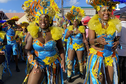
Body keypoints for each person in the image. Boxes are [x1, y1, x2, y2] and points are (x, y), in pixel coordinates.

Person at [22, 0, 65, 84]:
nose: (43, 22)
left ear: (50, 20)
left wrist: (63, 60)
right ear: (37, 20)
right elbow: (27, 49)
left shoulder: (55, 33)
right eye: (40, 19)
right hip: (38, 62)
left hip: (53, 63)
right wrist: (33, 60)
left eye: (46, 19)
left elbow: (60, 48)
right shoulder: (33, 33)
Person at [84, 0, 122, 84]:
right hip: (97, 56)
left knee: (110, 81)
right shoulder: (93, 24)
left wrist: (117, 42)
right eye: (103, 10)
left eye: (108, 10)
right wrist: (97, 40)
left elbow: (114, 38)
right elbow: (90, 41)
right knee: (98, 80)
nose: (106, 12)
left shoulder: (113, 23)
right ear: (98, 11)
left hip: (110, 57)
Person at [65, 6, 89, 82]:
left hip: (80, 46)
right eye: (73, 20)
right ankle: (69, 75)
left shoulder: (82, 29)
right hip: (71, 46)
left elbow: (84, 39)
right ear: (71, 21)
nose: (75, 22)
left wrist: (87, 48)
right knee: (70, 61)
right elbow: (65, 38)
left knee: (80, 61)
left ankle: (81, 73)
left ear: (78, 21)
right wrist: (68, 34)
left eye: (76, 21)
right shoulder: (69, 29)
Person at [117, 12, 126, 84]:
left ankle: (119, 81)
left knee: (119, 67)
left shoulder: (119, 25)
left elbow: (117, 37)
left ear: (120, 18)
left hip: (120, 50)